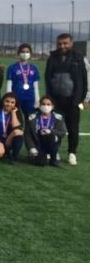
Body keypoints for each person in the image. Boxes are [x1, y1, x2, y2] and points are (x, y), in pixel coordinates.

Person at [45, 33, 88, 166]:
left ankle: (72, 153)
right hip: (56, 100)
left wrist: (85, 98)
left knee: (73, 128)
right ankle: (54, 151)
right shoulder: (52, 57)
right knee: (54, 126)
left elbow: (86, 78)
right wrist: (49, 97)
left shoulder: (79, 58)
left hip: (73, 100)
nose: (62, 46)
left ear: (71, 43)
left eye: (65, 43)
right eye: (60, 44)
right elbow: (47, 77)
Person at [25, 96, 67, 168]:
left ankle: (53, 159)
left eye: (48, 104)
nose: (45, 106)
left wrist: (51, 131)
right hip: (38, 144)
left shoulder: (58, 118)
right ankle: (37, 155)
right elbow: (27, 135)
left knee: (50, 135)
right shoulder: (32, 118)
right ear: (39, 105)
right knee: (41, 163)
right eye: (43, 104)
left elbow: (63, 132)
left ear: (52, 106)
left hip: (51, 142)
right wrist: (32, 148)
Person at [6, 43, 40, 117]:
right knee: (15, 118)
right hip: (16, 98)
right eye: (23, 52)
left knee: (30, 118)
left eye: (27, 52)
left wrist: (37, 100)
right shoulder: (12, 67)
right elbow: (9, 85)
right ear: (19, 53)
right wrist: (8, 98)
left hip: (30, 98)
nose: (25, 54)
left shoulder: (34, 68)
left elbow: (36, 86)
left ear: (30, 54)